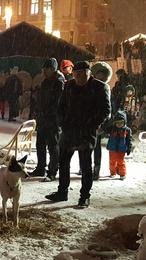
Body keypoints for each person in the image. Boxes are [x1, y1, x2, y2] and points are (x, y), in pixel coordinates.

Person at [45, 61, 111, 208]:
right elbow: (60, 106)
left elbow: (105, 111)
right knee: (63, 163)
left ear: (89, 74)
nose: (79, 78)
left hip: (86, 132)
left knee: (86, 166)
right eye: (76, 75)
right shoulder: (69, 86)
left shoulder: (100, 88)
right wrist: (62, 122)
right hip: (69, 131)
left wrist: (92, 124)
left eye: (82, 75)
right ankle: (62, 192)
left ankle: (84, 196)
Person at [30, 58, 64, 182]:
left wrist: (50, 113)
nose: (43, 71)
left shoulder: (59, 82)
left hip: (53, 119)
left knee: (53, 146)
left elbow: (57, 102)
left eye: (45, 69)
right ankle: (40, 167)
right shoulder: (46, 81)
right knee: (40, 143)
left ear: (52, 69)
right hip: (43, 118)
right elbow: (42, 99)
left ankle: (52, 171)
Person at [90, 61, 113, 180]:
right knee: (88, 145)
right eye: (99, 74)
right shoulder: (90, 86)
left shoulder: (104, 87)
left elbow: (107, 107)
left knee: (96, 146)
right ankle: (87, 168)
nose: (101, 76)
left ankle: (96, 169)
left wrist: (101, 121)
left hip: (98, 121)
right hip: (89, 120)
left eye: (103, 74)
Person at [106, 110, 132, 180]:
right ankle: (112, 173)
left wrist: (129, 148)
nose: (119, 124)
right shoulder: (112, 129)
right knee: (112, 162)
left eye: (121, 122)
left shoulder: (127, 130)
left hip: (122, 149)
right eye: (117, 123)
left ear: (124, 122)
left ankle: (122, 174)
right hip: (112, 148)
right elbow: (105, 129)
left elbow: (129, 140)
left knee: (121, 162)